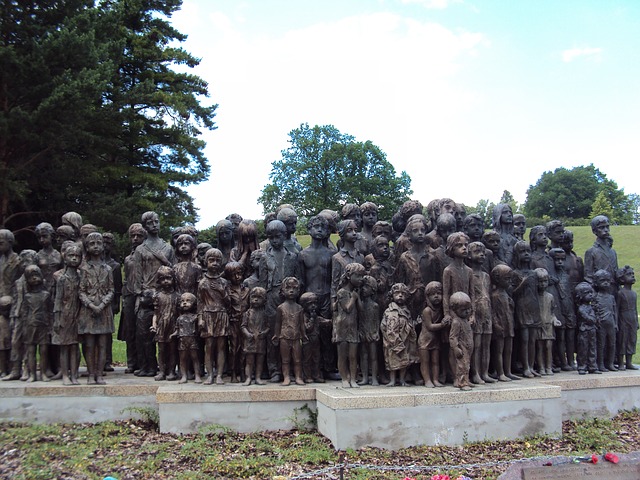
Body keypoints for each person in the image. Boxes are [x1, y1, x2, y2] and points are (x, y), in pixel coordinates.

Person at [259, 219, 299, 383]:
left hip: (290, 298)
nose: (275, 240)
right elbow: (262, 282)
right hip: (272, 298)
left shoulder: (293, 256)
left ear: (284, 235)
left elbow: (298, 279)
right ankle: (274, 370)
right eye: (271, 237)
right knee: (273, 335)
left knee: (291, 335)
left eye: (278, 236)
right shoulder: (264, 257)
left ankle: (290, 370)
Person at [78, 232, 114, 385]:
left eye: (99, 243)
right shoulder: (84, 269)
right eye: (92, 244)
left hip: (104, 311)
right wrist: (91, 305)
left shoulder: (108, 269)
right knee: (89, 344)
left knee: (102, 344)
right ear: (87, 247)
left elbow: (111, 290)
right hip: (89, 311)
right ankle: (91, 374)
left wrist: (103, 304)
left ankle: (99, 374)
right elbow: (81, 291)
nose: (96, 246)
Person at [197, 248, 230, 385]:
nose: (215, 263)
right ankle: (210, 374)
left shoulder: (224, 282)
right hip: (207, 315)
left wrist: (222, 291)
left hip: (221, 314)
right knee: (209, 346)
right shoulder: (202, 282)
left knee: (221, 347)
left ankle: (219, 375)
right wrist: (200, 318)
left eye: (217, 260)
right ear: (206, 262)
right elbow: (200, 302)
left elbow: (229, 302)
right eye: (211, 260)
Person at [52, 244, 83, 385]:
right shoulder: (62, 279)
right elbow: (57, 300)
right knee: (64, 347)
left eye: (77, 256)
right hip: (64, 315)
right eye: (71, 256)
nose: (74, 259)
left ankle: (74, 374)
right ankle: (65, 374)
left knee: (75, 346)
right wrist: (57, 319)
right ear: (65, 258)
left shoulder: (81, 276)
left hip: (78, 315)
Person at [119, 223, 145, 374]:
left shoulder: (146, 256)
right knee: (130, 331)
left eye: (139, 236)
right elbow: (126, 278)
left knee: (142, 331)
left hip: (142, 294)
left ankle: (144, 363)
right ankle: (131, 362)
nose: (135, 238)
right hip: (129, 295)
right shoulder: (128, 258)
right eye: (133, 236)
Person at [511, 240, 540, 378]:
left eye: (528, 251)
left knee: (533, 339)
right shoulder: (515, 273)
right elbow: (513, 293)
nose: (526, 254)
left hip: (534, 306)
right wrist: (522, 284)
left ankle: (531, 366)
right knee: (524, 339)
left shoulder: (534, 273)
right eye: (523, 252)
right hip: (521, 308)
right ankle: (525, 366)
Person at [333, 263, 364, 388]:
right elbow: (347, 308)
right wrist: (354, 298)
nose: (361, 279)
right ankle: (344, 378)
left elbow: (361, 310)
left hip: (353, 327)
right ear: (349, 276)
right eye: (358, 276)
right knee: (342, 355)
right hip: (342, 326)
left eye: (362, 276)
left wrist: (358, 297)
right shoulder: (342, 292)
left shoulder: (355, 292)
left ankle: (353, 379)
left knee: (353, 356)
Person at [381, 283, 418, 387]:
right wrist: (393, 340)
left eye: (403, 293)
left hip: (405, 339)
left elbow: (409, 323)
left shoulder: (406, 311)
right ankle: (392, 380)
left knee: (404, 360)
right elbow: (385, 327)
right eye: (397, 293)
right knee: (392, 360)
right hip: (392, 341)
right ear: (392, 295)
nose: (400, 295)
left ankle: (402, 380)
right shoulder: (390, 311)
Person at [271, 277, 306, 386]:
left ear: (298, 291)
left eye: (294, 288)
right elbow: (278, 323)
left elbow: (301, 323)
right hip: (284, 337)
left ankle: (298, 377)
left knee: (297, 359)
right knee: (285, 360)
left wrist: (304, 335)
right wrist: (276, 335)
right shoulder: (280, 308)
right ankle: (286, 377)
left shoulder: (299, 308)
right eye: (288, 288)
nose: (291, 291)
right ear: (283, 290)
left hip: (296, 337)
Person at [467, 242, 494, 384]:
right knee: (476, 345)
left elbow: (489, 295)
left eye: (483, 252)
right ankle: (475, 373)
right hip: (475, 312)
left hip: (487, 312)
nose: (482, 254)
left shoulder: (486, 275)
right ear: (469, 255)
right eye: (477, 252)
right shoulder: (468, 273)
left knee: (486, 345)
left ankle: (485, 372)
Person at [21, 265, 52, 382]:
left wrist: (50, 326)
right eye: (31, 276)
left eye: (36, 275)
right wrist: (25, 328)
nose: (34, 278)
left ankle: (43, 373)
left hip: (43, 326)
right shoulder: (27, 296)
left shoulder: (46, 295)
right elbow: (24, 314)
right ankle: (32, 374)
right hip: (30, 326)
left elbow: (50, 312)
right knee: (31, 351)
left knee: (44, 351)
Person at [490, 264, 518, 381]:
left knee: (508, 350)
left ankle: (508, 371)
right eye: (507, 279)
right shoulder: (495, 295)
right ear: (497, 279)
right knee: (499, 350)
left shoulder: (506, 294)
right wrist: (496, 324)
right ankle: (500, 372)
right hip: (500, 325)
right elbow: (493, 312)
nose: (509, 282)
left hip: (509, 324)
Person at [151, 266, 179, 381]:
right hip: (162, 325)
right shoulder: (157, 296)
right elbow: (155, 313)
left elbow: (179, 314)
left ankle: (171, 371)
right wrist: (154, 325)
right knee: (161, 350)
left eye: (168, 278)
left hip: (173, 325)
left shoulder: (177, 296)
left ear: (173, 279)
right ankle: (162, 371)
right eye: (162, 279)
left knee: (172, 350)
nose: (166, 281)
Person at [418, 281, 447, 388]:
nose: (436, 296)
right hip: (425, 341)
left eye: (439, 293)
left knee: (435, 361)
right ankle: (427, 380)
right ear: (427, 297)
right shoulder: (427, 311)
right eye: (433, 294)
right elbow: (430, 326)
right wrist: (442, 325)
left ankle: (435, 379)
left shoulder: (441, 310)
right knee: (425, 362)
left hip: (435, 340)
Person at [225, 261, 249, 383]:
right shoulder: (227, 291)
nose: (237, 277)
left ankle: (244, 372)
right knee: (234, 349)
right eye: (234, 275)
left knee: (245, 348)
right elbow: (226, 308)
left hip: (245, 323)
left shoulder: (247, 290)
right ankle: (233, 373)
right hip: (233, 322)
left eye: (239, 273)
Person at [535, 268, 561, 376]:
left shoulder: (550, 296)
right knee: (540, 347)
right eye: (540, 281)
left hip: (549, 325)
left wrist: (555, 320)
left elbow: (552, 312)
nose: (543, 284)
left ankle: (549, 367)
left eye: (545, 281)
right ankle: (541, 367)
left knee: (548, 347)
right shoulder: (534, 297)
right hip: (538, 325)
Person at [241, 287, 269, 386]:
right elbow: (243, 326)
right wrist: (247, 334)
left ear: (264, 300)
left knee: (260, 361)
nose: (256, 300)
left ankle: (258, 377)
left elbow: (268, 327)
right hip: (250, 341)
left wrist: (264, 333)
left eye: (259, 297)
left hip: (260, 341)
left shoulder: (265, 314)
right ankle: (248, 378)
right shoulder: (247, 313)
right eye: (253, 297)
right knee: (249, 361)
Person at [584, 215, 618, 295]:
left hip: (614, 291)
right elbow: (588, 277)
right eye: (601, 227)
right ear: (594, 231)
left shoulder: (613, 251)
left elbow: (616, 272)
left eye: (607, 227)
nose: (606, 230)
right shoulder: (591, 251)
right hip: (600, 292)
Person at [592, 269, 618, 372]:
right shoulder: (595, 297)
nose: (606, 283)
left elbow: (615, 311)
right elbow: (594, 311)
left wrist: (616, 324)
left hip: (611, 323)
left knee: (612, 344)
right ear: (596, 283)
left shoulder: (611, 297)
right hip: (601, 324)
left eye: (608, 280)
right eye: (603, 281)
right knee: (601, 344)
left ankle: (610, 363)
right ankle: (601, 364)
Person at [174, 292, 202, 384]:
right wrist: (173, 334)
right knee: (182, 359)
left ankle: (197, 375)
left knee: (195, 358)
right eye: (182, 301)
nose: (185, 303)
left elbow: (199, 329)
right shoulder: (179, 318)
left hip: (193, 340)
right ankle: (184, 376)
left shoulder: (196, 317)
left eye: (188, 301)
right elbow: (177, 330)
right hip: (182, 340)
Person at [448, 291, 474, 391]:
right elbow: (453, 337)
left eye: (468, 309)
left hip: (468, 347)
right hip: (461, 347)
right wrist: (455, 348)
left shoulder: (465, 320)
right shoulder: (456, 322)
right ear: (455, 310)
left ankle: (466, 380)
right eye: (463, 310)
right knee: (462, 366)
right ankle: (462, 382)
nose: (467, 312)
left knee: (467, 365)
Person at [358, 275, 380, 386]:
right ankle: (365, 378)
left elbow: (377, 321)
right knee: (363, 356)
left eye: (366, 287)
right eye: (363, 287)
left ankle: (374, 378)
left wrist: (376, 332)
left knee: (373, 356)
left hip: (372, 332)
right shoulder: (360, 304)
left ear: (373, 290)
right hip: (363, 332)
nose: (363, 289)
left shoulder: (375, 306)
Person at [616, 266, 638, 370]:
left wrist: (637, 321)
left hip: (632, 319)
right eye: (629, 274)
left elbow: (635, 309)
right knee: (622, 339)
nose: (632, 276)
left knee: (632, 339)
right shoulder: (620, 293)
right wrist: (616, 322)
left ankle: (629, 362)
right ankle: (621, 362)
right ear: (622, 278)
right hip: (623, 319)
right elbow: (617, 309)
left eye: (632, 274)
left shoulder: (634, 293)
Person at [575, 282, 599, 375]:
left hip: (592, 330)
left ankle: (592, 366)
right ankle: (582, 366)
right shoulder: (581, 308)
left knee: (592, 348)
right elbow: (589, 319)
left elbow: (595, 319)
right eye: (587, 293)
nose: (590, 295)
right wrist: (593, 318)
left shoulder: (591, 307)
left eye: (591, 292)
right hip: (584, 330)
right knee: (583, 349)